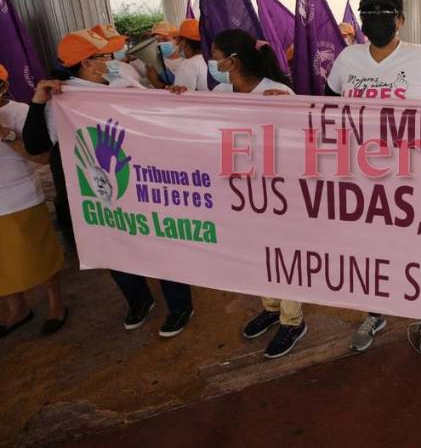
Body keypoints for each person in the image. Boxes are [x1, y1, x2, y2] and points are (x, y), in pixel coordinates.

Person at [23, 29, 196, 338]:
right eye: (105, 57)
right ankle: (139, 300)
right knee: (115, 245)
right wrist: (38, 102)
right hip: (100, 188)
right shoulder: (62, 99)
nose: (112, 60)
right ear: (88, 64)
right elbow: (36, 147)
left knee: (160, 241)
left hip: (142, 181)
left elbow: (153, 114)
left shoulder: (120, 85)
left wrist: (171, 97)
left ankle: (179, 305)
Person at [325, 0, 421, 355]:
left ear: (400, 19)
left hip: (411, 175)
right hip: (361, 175)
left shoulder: (420, 57)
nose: (375, 19)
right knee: (370, 249)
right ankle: (376, 312)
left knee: (417, 246)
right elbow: (328, 102)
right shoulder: (348, 59)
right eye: (368, 12)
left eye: (384, 12)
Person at [171, 29, 303, 358]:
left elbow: (303, 141)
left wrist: (292, 110)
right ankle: (272, 307)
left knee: (283, 256)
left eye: (215, 55)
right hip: (243, 192)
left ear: (233, 60)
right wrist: (176, 97)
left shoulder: (277, 92)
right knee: (258, 254)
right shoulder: (223, 93)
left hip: (279, 193)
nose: (212, 61)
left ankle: (293, 321)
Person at [0, 64, 67, 338]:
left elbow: (41, 157)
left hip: (21, 196)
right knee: (3, 263)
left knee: (39, 255)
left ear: (4, 87)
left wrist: (6, 135)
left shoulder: (20, 112)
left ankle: (56, 304)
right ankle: (17, 309)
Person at [147, 19, 209, 92]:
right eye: (157, 41)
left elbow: (180, 97)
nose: (177, 43)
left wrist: (157, 84)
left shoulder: (187, 65)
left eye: (179, 40)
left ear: (186, 42)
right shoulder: (206, 60)